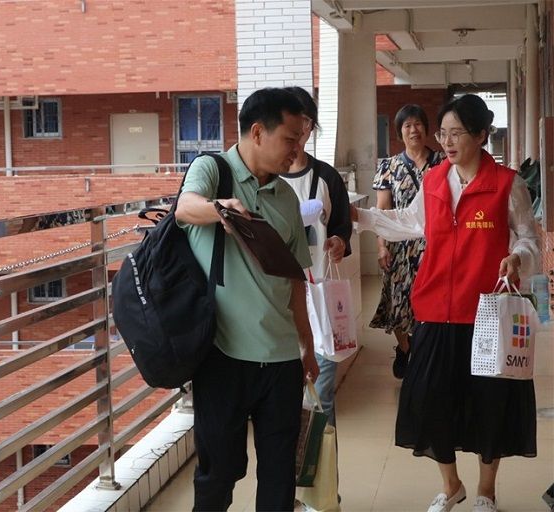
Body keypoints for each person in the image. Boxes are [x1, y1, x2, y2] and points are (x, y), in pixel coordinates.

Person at [351, 94, 539, 512]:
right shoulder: (435, 180)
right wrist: (361, 218)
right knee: (431, 400)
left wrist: (517, 258)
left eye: (457, 133)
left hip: (487, 312)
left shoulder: (507, 184)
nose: (448, 142)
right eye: (443, 133)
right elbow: (409, 222)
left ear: (481, 135)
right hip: (435, 310)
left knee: (490, 403)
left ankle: (486, 492)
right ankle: (451, 485)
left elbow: (529, 239)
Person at [175, 87, 320, 512]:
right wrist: (222, 209)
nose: (296, 151)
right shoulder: (212, 169)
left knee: (279, 475)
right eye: (290, 139)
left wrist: (307, 345)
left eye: (301, 140)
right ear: (257, 132)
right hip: (223, 356)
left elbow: (295, 279)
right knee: (218, 473)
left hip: (281, 360)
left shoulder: (287, 197)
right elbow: (184, 208)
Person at [280, 86, 352, 428]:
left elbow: (342, 227)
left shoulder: (327, 177)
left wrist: (339, 242)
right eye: (292, 121)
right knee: (283, 400)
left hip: (319, 302)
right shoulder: (262, 179)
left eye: (306, 121)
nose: (299, 130)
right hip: (276, 304)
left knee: (322, 397)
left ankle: (321, 460)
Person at [369, 104, 442, 379]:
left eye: (418, 124)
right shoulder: (389, 167)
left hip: (435, 245)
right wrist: (381, 246)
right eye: (407, 125)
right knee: (399, 300)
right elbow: (383, 211)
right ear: (400, 132)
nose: (414, 130)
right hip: (399, 246)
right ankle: (404, 346)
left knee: (432, 300)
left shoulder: (443, 163)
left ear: (427, 128)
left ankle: (426, 351)